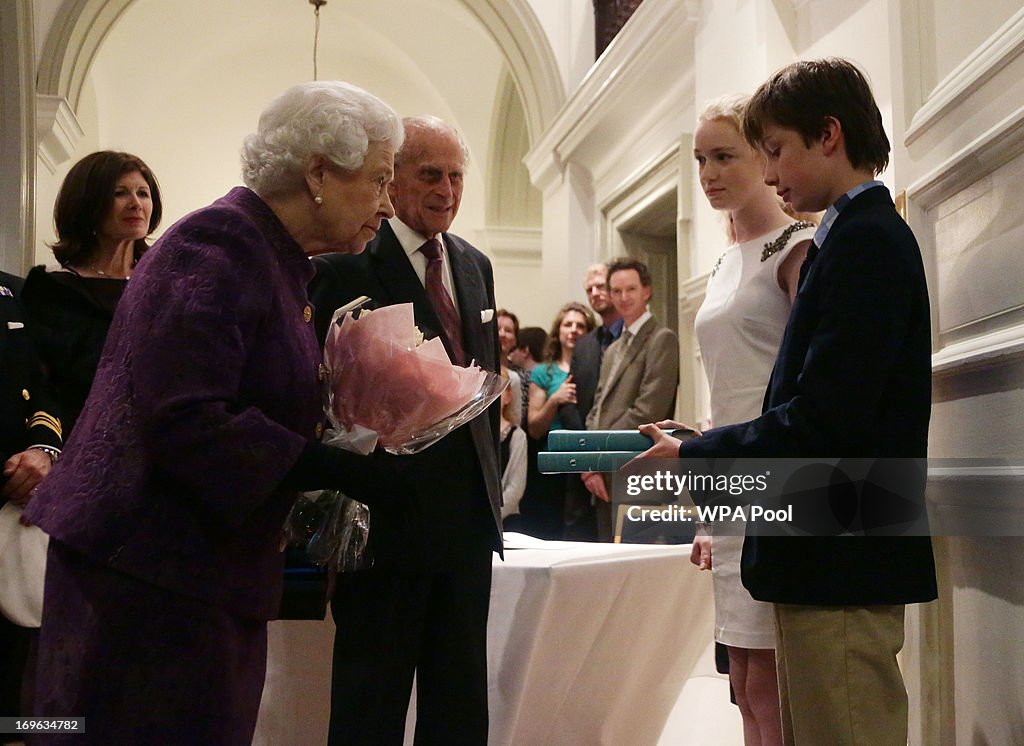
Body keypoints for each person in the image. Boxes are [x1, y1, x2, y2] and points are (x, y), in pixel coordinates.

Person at [23, 80, 405, 743]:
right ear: (317, 171)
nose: (387, 203)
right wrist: (323, 463)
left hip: (193, 573)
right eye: (378, 180)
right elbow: (184, 417)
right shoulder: (220, 246)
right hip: (148, 581)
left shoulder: (272, 258)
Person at [639, 59, 937, 745]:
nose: (769, 172)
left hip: (843, 545)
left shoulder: (865, 239)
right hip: (821, 540)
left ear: (828, 134)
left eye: (774, 150)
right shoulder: (847, 235)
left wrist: (698, 452)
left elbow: (826, 416)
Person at [308, 115, 503, 746]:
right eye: (430, 174)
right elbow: (321, 394)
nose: (447, 190)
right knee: (372, 703)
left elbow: (483, 381)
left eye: (456, 176)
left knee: (460, 704)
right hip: (385, 524)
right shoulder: (345, 262)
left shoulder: (474, 265)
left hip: (468, 527)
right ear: (392, 180)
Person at [690, 93, 815, 746]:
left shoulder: (795, 246)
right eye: (700, 159)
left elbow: (803, 385)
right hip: (731, 487)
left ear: (762, 154)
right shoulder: (721, 260)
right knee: (740, 680)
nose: (709, 173)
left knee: (771, 685)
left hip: (778, 484)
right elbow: (722, 392)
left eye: (724, 156)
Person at [22, 151, 162, 434]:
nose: (135, 204)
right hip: (76, 437)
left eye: (143, 193)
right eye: (120, 193)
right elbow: (36, 378)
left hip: (156, 436)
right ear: (88, 203)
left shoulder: (165, 283)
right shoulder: (52, 288)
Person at [0, 271, 62, 736]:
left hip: (14, 502)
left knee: (22, 696)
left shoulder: (13, 290)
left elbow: (42, 388)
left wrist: (44, 448)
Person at [585, 257, 679, 540]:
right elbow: (596, 409)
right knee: (605, 565)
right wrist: (589, 460)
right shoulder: (613, 348)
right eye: (616, 291)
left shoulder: (662, 338)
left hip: (639, 470)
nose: (623, 298)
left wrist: (598, 453)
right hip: (603, 474)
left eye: (631, 290)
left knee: (637, 564)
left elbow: (647, 411)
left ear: (646, 291)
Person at [560, 263, 623, 540]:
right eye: (589, 289)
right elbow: (569, 402)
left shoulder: (635, 337)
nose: (595, 293)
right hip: (583, 465)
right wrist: (587, 460)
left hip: (624, 461)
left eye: (600, 286)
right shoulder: (584, 344)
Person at [521, 302, 595, 539]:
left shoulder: (597, 368)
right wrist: (555, 400)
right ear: (558, 331)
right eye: (568, 324)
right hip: (551, 465)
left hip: (587, 461)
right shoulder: (543, 373)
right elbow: (534, 427)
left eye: (580, 326)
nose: (573, 330)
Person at [498, 366, 527, 526]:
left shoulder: (517, 436)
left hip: (506, 521)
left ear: (508, 396)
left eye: (499, 389)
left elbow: (515, 489)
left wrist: (492, 516)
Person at [496, 309, 524, 425]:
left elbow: (516, 420)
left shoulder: (517, 376)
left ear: (515, 340)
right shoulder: (476, 368)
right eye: (497, 329)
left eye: (508, 330)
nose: (502, 334)